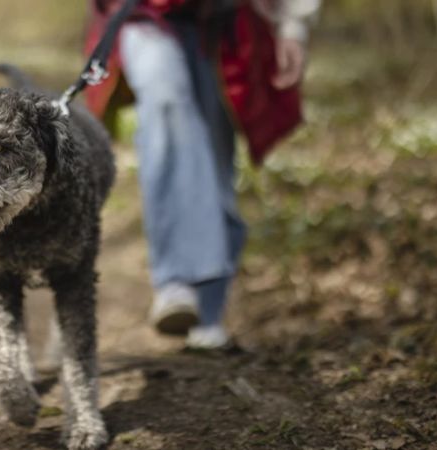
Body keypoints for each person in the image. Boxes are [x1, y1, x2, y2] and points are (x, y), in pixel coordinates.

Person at [84, 0, 320, 348]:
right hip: (144, 16)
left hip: (225, 24)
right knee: (166, 105)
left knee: (214, 158)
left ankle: (207, 311)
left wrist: (293, 25)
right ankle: (176, 281)